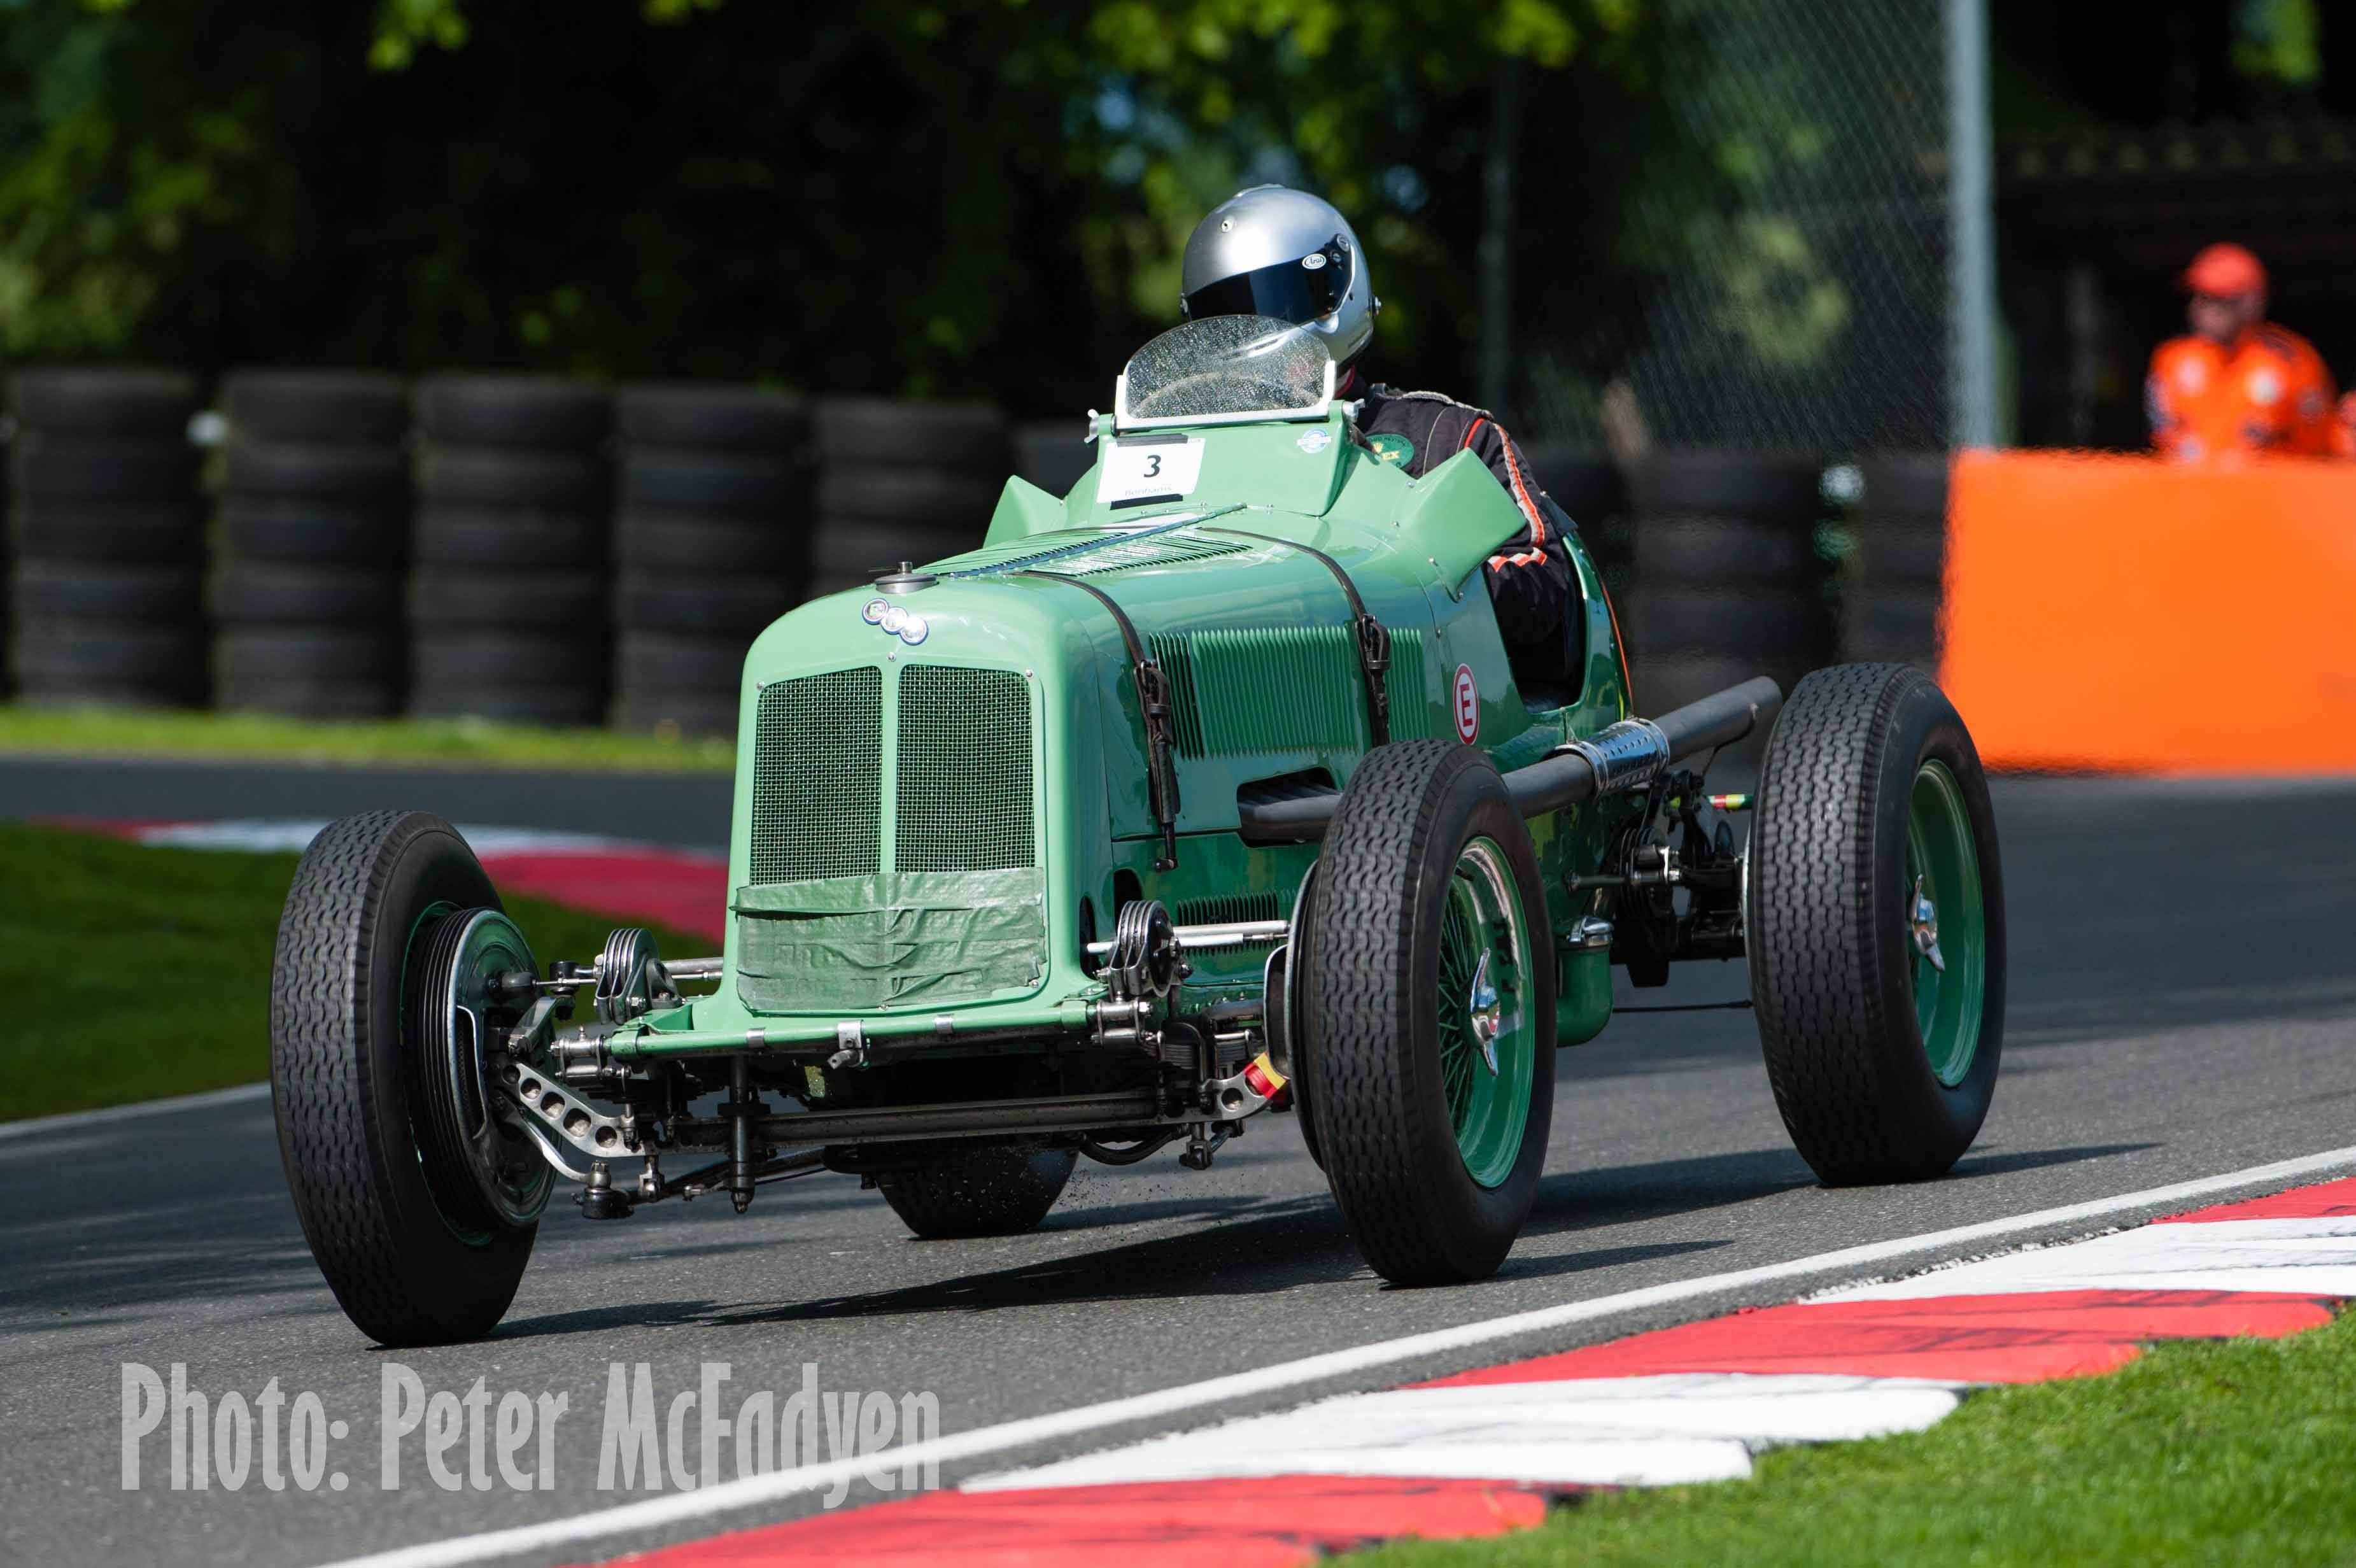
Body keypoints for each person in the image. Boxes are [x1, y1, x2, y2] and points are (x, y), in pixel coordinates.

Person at [1178, 185, 1574, 667]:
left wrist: (1402, 584)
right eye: (1231, 318)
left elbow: (1543, 583)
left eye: (1275, 307)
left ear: (1333, 292)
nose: (1258, 336)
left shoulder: (1445, 437)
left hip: (1422, 699)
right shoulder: (1191, 451)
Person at [2146, 243, 2337, 461]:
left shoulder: (2291, 360)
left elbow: (2318, 446)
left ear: (2251, 303)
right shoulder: (2172, 358)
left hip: (2270, 491)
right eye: (2198, 297)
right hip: (2190, 491)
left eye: (2216, 299)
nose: (2200, 308)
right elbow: (2162, 437)